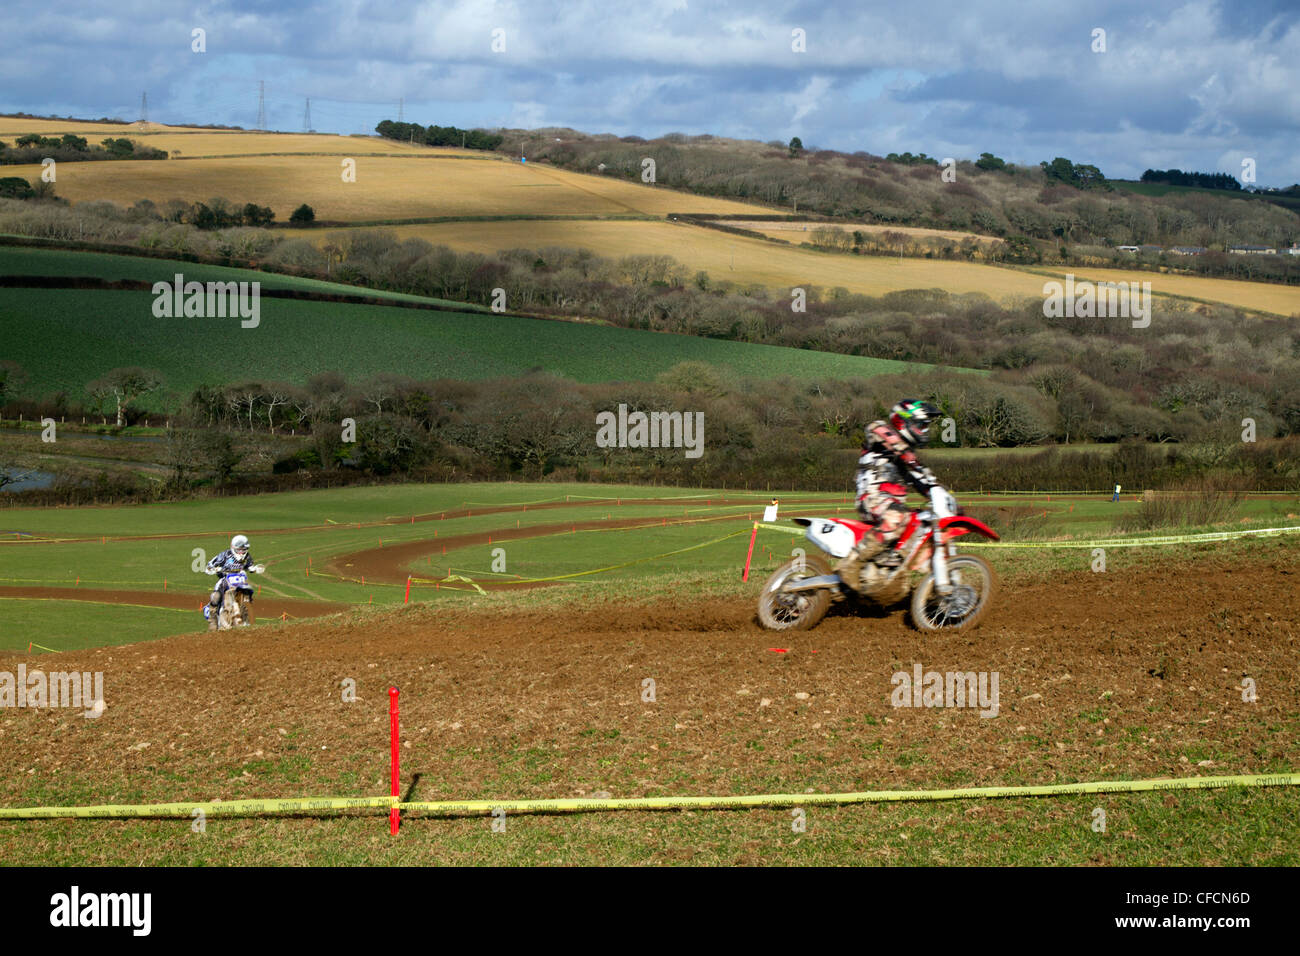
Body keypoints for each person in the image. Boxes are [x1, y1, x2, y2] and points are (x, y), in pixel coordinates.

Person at [834, 400, 942, 588]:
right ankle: (852, 562)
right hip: (872, 498)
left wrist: (943, 496)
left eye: (926, 427)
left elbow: (925, 483)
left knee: (924, 520)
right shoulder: (879, 431)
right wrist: (910, 459)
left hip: (892, 505)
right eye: (921, 425)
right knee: (897, 516)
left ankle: (897, 568)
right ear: (904, 421)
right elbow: (883, 435)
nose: (924, 431)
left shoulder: (907, 459)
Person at [205, 534, 258, 630]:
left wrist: (254, 568)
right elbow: (210, 564)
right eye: (239, 550)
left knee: (248, 592)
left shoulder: (247, 557)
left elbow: (250, 565)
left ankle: (246, 615)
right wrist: (211, 569)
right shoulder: (225, 555)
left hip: (240, 579)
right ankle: (212, 619)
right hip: (226, 578)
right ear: (234, 548)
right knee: (216, 596)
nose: (241, 552)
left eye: (243, 550)